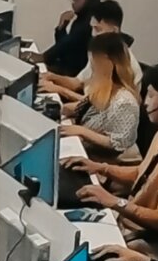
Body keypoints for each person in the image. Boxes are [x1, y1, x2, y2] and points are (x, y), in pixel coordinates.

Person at [66, 61, 158, 256]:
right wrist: (100, 168)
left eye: (151, 95)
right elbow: (144, 174)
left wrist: (115, 202)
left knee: (73, 247)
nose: (145, 102)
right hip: (126, 220)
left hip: (145, 240)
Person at [58, 32, 141, 163]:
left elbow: (118, 143)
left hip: (104, 160)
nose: (92, 71)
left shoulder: (125, 102)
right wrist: (59, 110)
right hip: (87, 149)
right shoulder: (102, 91)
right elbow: (83, 107)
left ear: (108, 64)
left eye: (95, 65)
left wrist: (82, 132)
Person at [41, 0, 122, 101]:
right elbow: (77, 83)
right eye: (92, 28)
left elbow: (97, 106)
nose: (93, 34)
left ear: (114, 31)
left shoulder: (123, 63)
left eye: (98, 29)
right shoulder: (97, 54)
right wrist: (50, 76)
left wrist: (60, 90)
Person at [39, 0, 101, 78]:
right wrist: (61, 28)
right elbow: (65, 48)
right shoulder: (80, 19)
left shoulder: (91, 22)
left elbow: (65, 46)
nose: (73, 3)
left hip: (77, 77)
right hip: (68, 70)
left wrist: (43, 57)